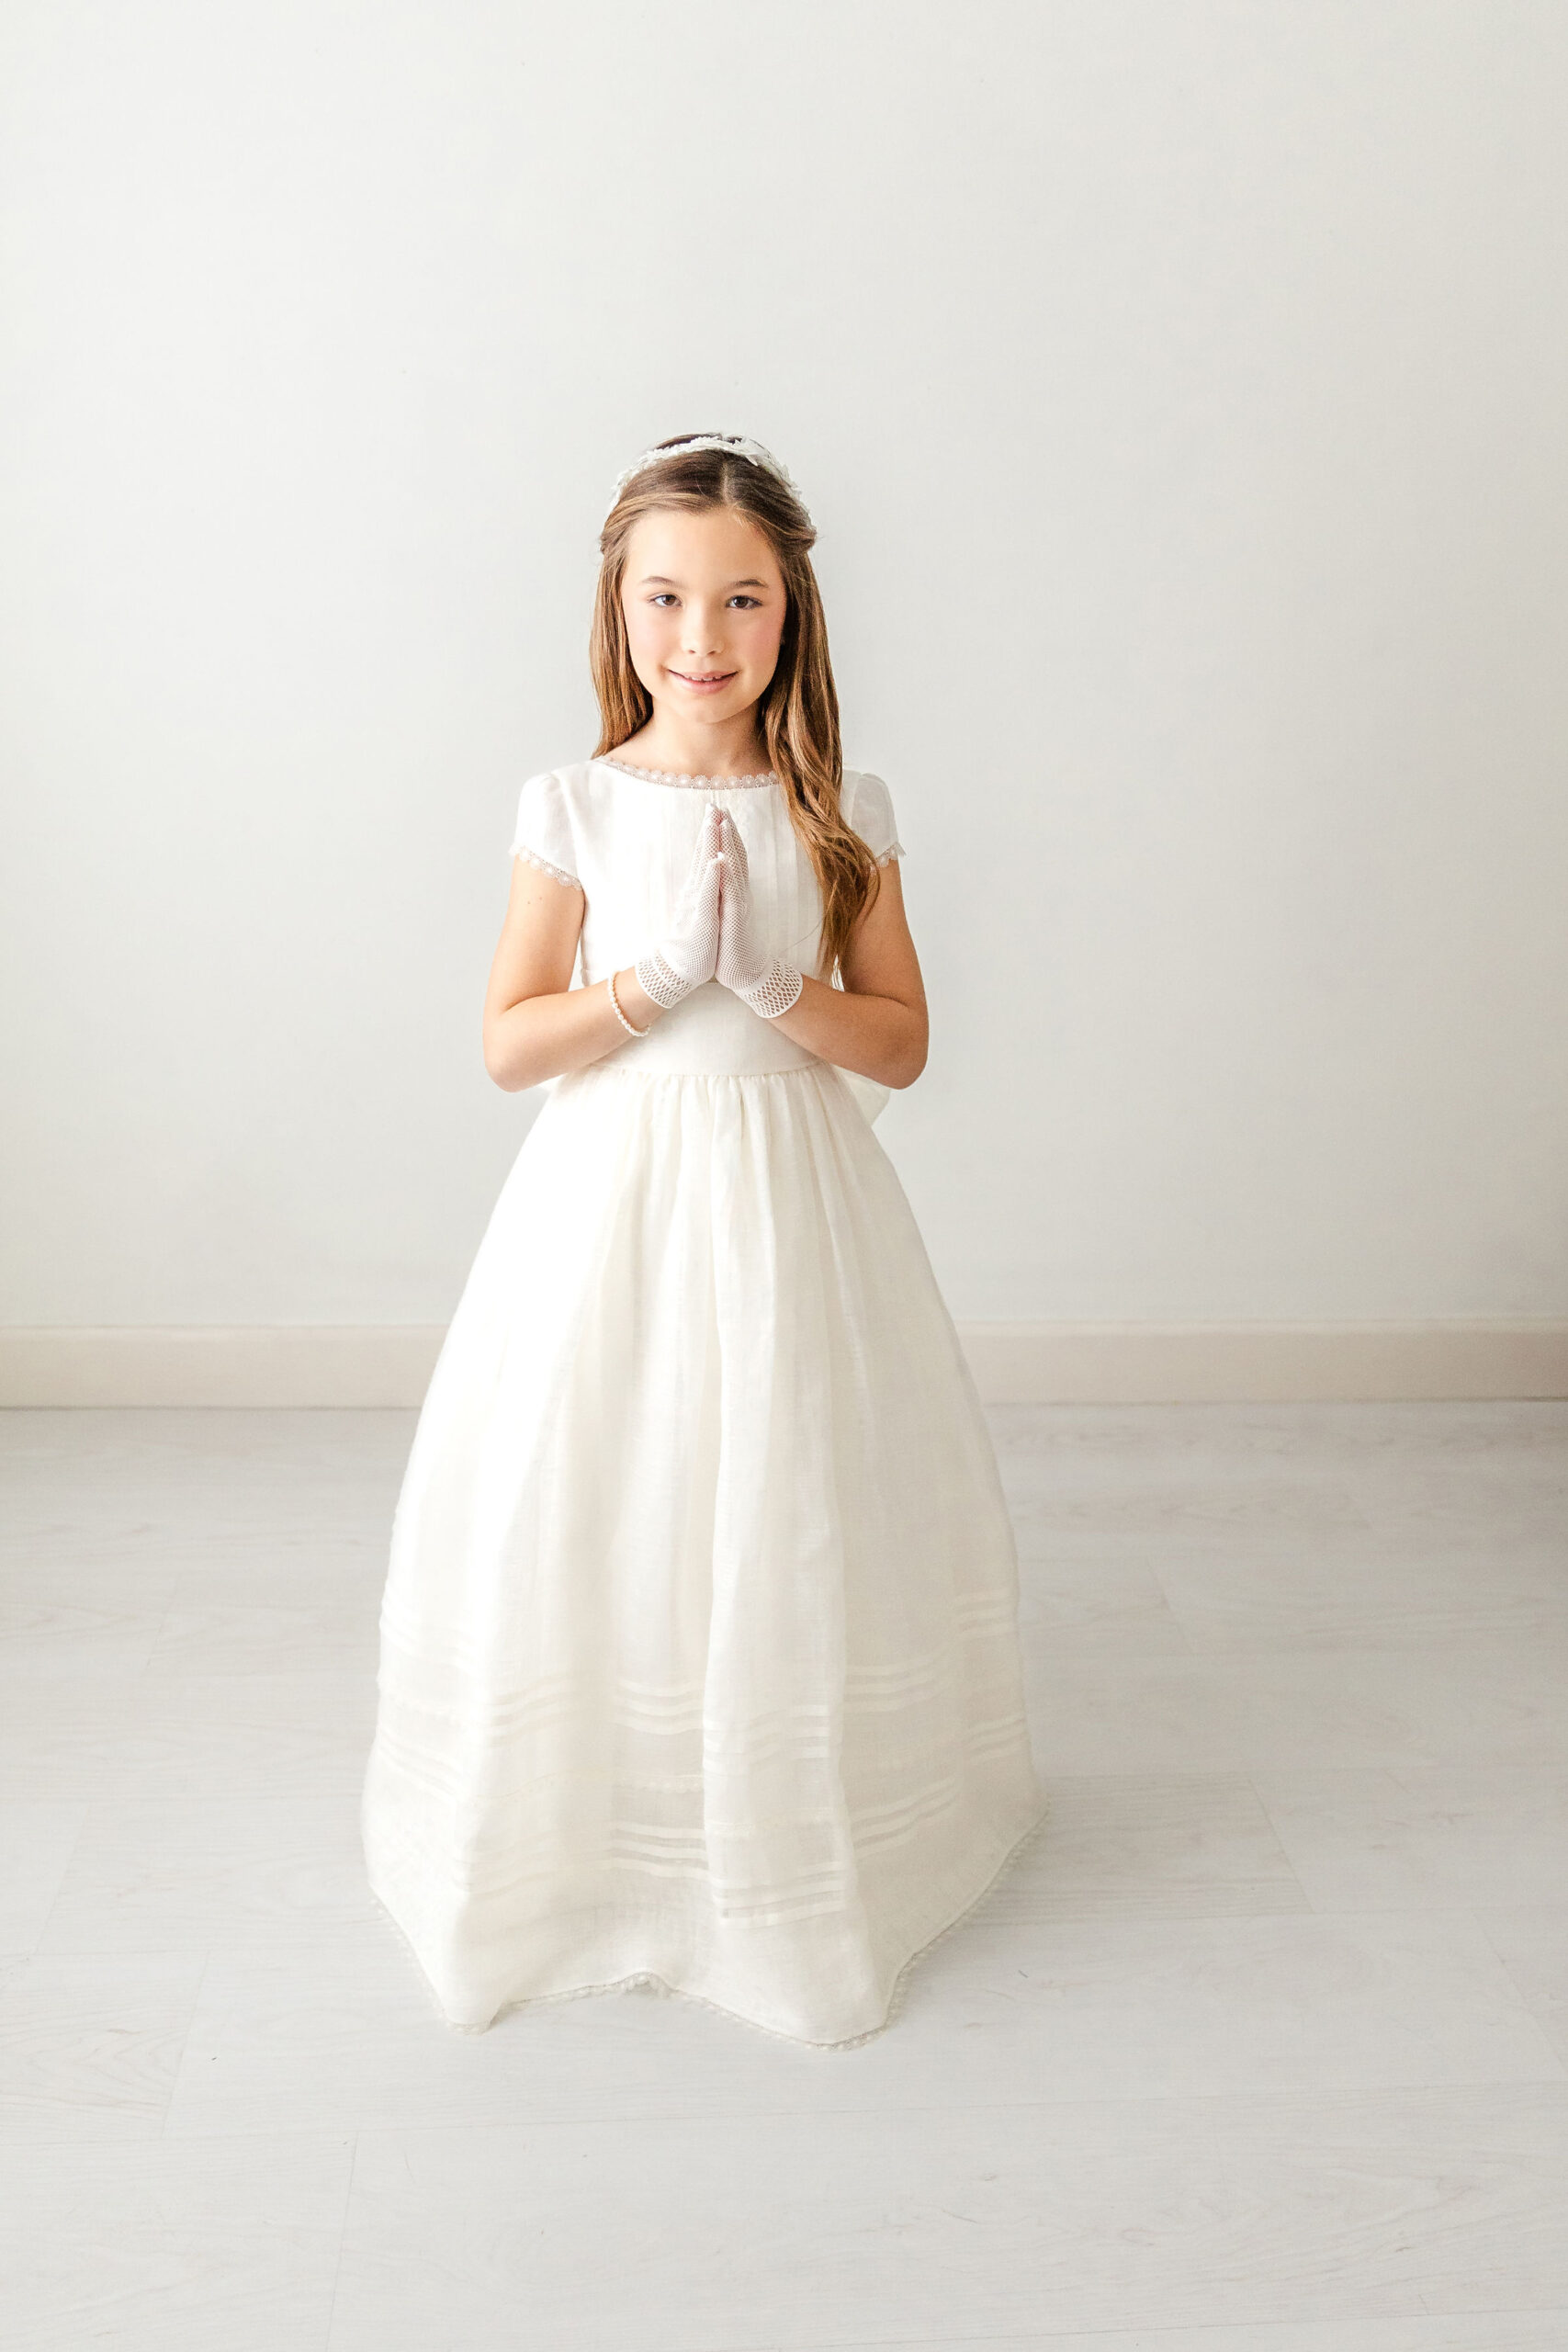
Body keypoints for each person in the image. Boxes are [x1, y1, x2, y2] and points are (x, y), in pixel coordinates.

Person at [361, 433, 1048, 2048]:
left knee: (783, 1480)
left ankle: (786, 1822)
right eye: (666, 597)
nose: (702, 634)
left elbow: (901, 1043)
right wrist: (652, 981)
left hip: (791, 1203)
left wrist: (770, 985)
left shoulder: (843, 810)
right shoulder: (577, 805)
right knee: (613, 1473)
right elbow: (510, 1044)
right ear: (620, 609)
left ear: (792, 610)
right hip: (609, 1203)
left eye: (741, 598)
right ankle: (604, 1822)